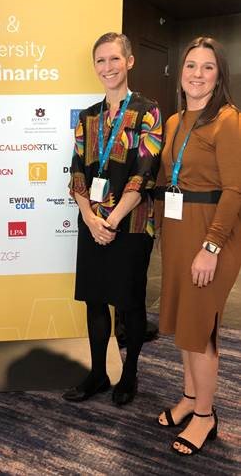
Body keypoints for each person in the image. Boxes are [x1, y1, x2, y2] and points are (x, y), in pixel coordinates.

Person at [63, 32, 162, 406]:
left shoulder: (148, 112)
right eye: (101, 61)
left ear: (130, 62)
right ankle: (98, 373)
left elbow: (144, 173)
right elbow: (75, 172)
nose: (108, 67)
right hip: (93, 225)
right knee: (94, 301)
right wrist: (90, 217)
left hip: (132, 226)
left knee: (130, 303)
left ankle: (130, 372)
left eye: (114, 59)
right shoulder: (88, 117)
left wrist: (112, 220)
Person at [155, 37, 241, 455]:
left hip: (212, 234)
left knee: (200, 327)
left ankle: (205, 416)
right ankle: (189, 397)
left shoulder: (228, 120)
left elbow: (235, 190)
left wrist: (211, 246)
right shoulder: (173, 122)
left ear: (219, 75)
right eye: (191, 65)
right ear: (181, 71)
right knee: (184, 323)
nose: (197, 75)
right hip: (178, 230)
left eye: (208, 67)